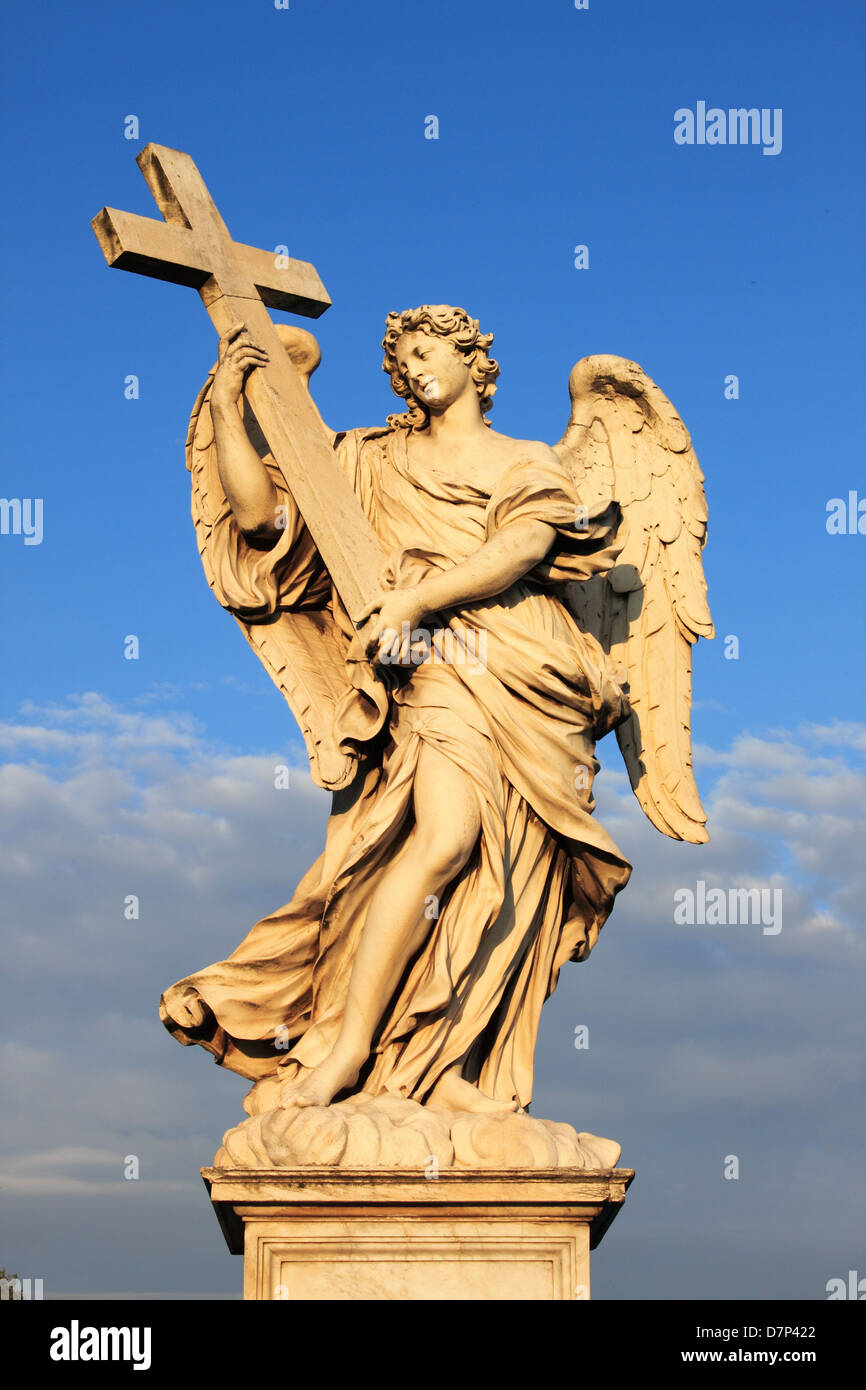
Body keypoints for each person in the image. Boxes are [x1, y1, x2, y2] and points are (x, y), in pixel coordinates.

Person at [160, 305, 633, 1116]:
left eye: (429, 350)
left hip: (533, 666)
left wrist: (417, 597)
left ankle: (443, 1063)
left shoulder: (526, 459)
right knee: (447, 839)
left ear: (474, 361)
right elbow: (264, 519)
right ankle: (348, 1050)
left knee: (510, 870)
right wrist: (232, 409)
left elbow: (524, 546)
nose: (415, 367)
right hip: (440, 663)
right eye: (403, 359)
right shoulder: (370, 460)